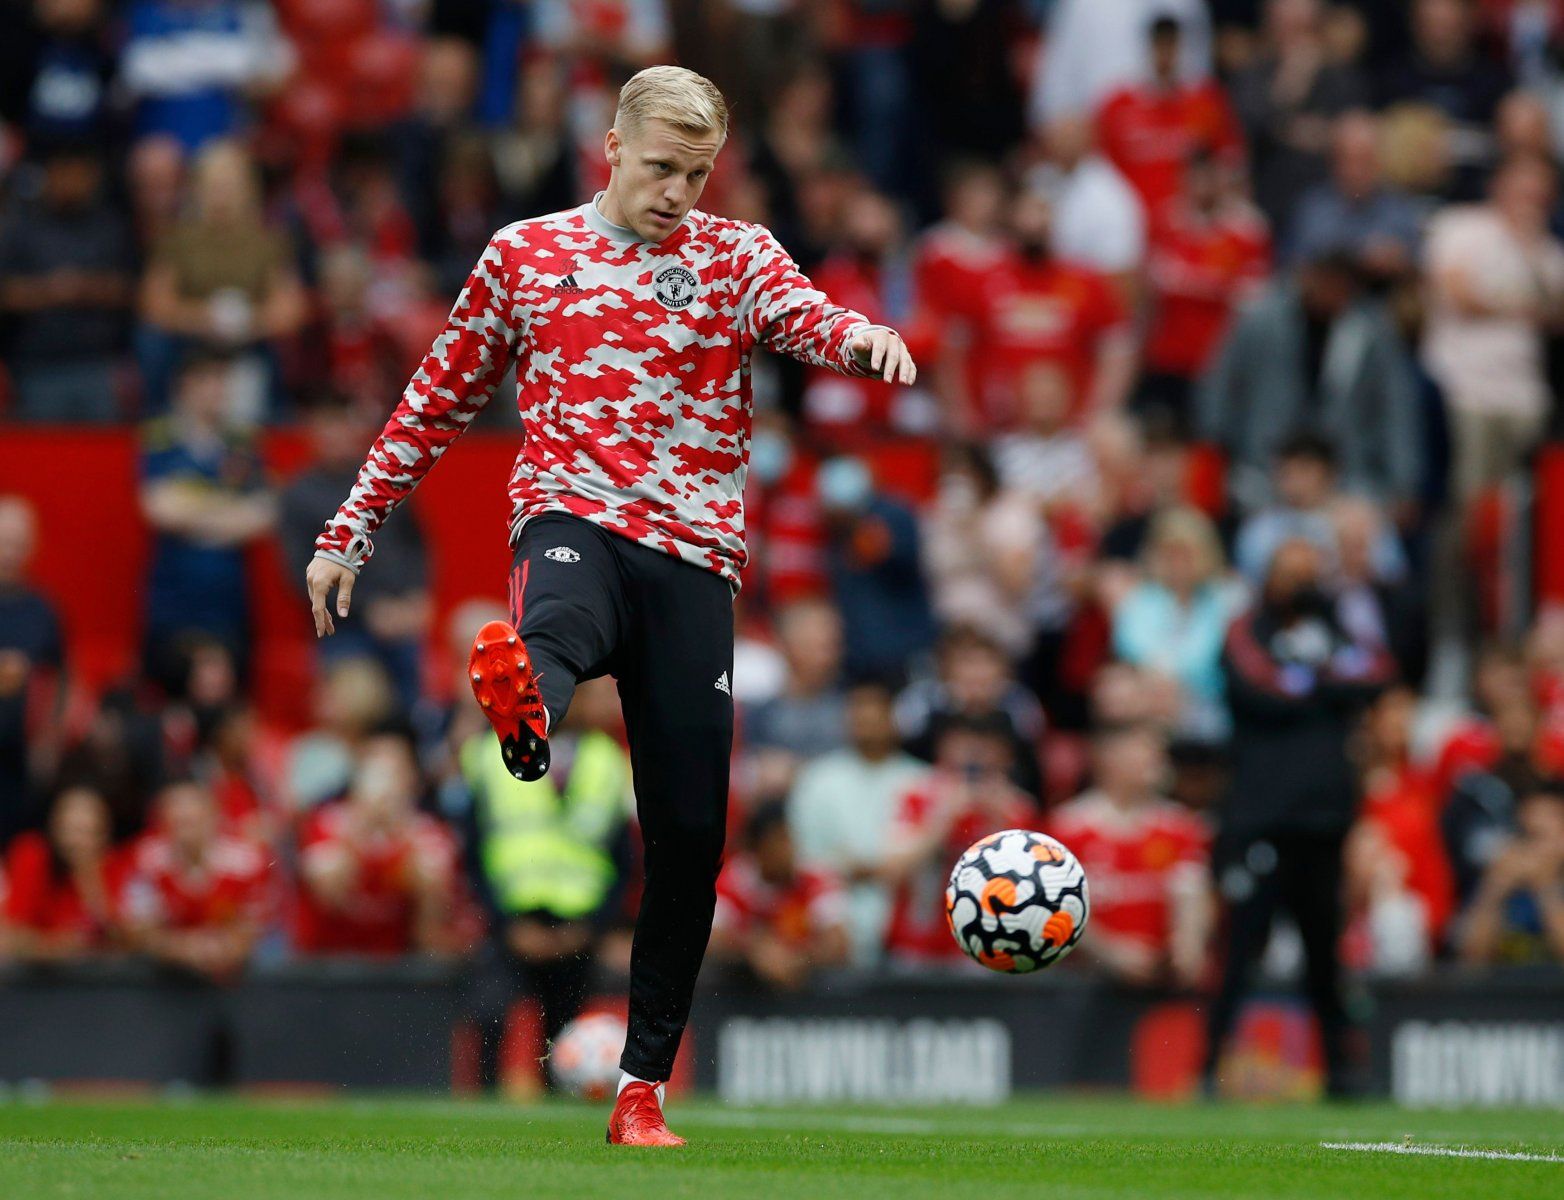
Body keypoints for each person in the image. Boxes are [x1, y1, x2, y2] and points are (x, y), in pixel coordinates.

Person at [303, 65, 918, 1146]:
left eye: (696, 172)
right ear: (610, 146)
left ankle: (641, 1088)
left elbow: (800, 312)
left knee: (689, 836)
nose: (677, 192)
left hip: (694, 555)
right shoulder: (526, 255)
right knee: (554, 629)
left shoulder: (734, 255)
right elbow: (435, 396)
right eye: (658, 167)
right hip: (571, 516)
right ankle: (527, 717)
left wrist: (859, 340)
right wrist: (347, 529)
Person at [1203, 537, 1394, 1097]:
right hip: (1258, 816)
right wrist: (1325, 682)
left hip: (1323, 819)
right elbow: (1258, 686)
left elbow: (1379, 672)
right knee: (1238, 948)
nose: (1301, 584)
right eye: (1290, 572)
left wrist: (1311, 677)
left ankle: (1342, 1073)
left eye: (1310, 573)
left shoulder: (1338, 628)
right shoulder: (1247, 627)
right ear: (1269, 577)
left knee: (1323, 952)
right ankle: (1207, 1067)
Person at [460, 675, 631, 1094]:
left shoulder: (610, 761)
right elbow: (471, 852)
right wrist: (506, 925)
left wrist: (592, 928)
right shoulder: (487, 753)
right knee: (491, 1016)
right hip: (510, 925)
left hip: (577, 929)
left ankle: (561, 1130)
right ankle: (481, 1109)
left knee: (565, 1042)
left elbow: (624, 859)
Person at [1197, 252, 1422, 516]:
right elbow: (1222, 381)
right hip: (1262, 463)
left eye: (1340, 286)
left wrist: (1404, 482)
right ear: (1307, 279)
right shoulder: (1262, 320)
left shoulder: (1371, 333)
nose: (1331, 293)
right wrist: (1216, 444)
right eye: (1325, 282)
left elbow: (1396, 408)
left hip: (1345, 470)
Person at [139, 350, 276, 680]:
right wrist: (228, 510)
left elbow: (264, 515)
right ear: (185, 386)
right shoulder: (160, 438)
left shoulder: (243, 441)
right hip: (173, 600)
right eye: (209, 380)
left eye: (222, 380)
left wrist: (194, 513)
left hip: (229, 600)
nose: (218, 389)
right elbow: (159, 509)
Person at [1050, 723, 1211, 988]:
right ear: (1108, 757)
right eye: (1144, 749)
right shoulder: (1068, 828)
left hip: (1163, 982)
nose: (1157, 760)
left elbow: (1192, 893)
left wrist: (1189, 942)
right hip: (1086, 985)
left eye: (1159, 752)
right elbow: (1056, 907)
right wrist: (1110, 952)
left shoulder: (1181, 826)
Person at [788, 677, 930, 968]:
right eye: (859, 717)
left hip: (908, 923)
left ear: (893, 720)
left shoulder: (922, 780)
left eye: (875, 718)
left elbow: (923, 859)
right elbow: (805, 858)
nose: (867, 725)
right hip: (832, 919)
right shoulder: (817, 779)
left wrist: (868, 867)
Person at [293, 728, 461, 957]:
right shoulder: (325, 822)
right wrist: (361, 826)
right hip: (331, 964)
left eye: (394, 772)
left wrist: (400, 833)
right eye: (374, 771)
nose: (384, 783)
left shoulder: (428, 831)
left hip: (396, 965)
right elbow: (328, 894)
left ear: (412, 779)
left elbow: (433, 911)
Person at [0, 139, 134, 421]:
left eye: (79, 173)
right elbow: (6, 291)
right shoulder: (23, 227)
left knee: (102, 455)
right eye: (64, 172)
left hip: (98, 362)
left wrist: (83, 287)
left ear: (92, 178)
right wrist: (51, 290)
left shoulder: (109, 226)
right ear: (49, 175)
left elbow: (129, 288)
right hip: (38, 363)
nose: (71, 181)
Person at [120, 779, 270, 982]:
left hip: (231, 979)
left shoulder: (247, 863)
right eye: (178, 822)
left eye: (193, 821)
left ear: (213, 816)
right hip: (165, 982)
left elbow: (252, 930)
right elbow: (138, 932)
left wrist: (222, 948)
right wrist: (184, 948)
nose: (186, 832)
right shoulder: (146, 862)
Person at [708, 802, 851, 990]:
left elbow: (839, 943)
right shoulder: (733, 881)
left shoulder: (814, 878)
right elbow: (711, 939)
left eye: (790, 838)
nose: (789, 849)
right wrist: (756, 950)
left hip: (807, 995)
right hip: (744, 996)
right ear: (756, 849)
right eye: (779, 840)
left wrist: (795, 957)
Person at [0, 496, 65, 846]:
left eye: (19, 543)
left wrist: (51, 737)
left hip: (20, 760)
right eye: (4, 541)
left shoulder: (42, 609)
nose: (10, 551)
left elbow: (61, 676)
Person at [0, 785, 127, 961]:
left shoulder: (117, 865)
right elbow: (11, 936)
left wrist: (89, 877)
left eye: (89, 832)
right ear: (54, 827)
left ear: (105, 835)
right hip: (39, 980)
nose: (75, 841)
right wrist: (60, 945)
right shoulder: (34, 856)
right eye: (69, 830)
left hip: (98, 981)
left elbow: (124, 936)